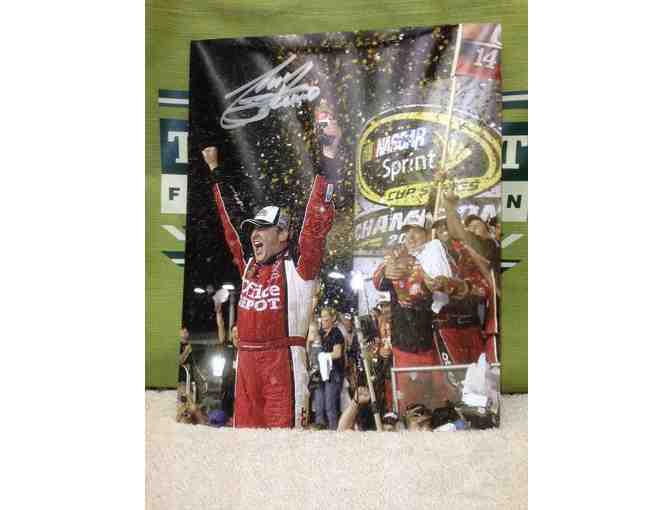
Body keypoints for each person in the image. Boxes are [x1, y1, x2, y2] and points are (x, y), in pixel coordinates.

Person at [200, 131, 339, 428]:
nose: (254, 234)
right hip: (246, 365)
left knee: (283, 445)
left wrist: (328, 159)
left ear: (283, 234)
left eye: (263, 228)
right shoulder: (249, 263)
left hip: (284, 362)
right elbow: (231, 219)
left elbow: (316, 222)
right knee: (244, 442)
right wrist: (215, 170)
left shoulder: (300, 266)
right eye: (253, 228)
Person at [372, 211, 458, 412]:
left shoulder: (439, 253)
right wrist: (385, 271)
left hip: (434, 342)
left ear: (428, 234)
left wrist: (431, 279)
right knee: (408, 405)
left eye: (416, 232)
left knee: (440, 402)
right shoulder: (398, 256)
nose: (410, 237)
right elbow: (378, 281)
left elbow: (451, 288)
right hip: (404, 344)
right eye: (407, 232)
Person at [313, 307, 345, 430]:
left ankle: (333, 429)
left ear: (333, 318)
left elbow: (337, 353)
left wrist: (324, 356)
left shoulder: (336, 333)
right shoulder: (320, 333)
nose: (323, 319)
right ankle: (319, 427)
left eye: (326, 316)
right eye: (322, 316)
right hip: (320, 372)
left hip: (333, 372)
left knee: (330, 405)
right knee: (319, 403)